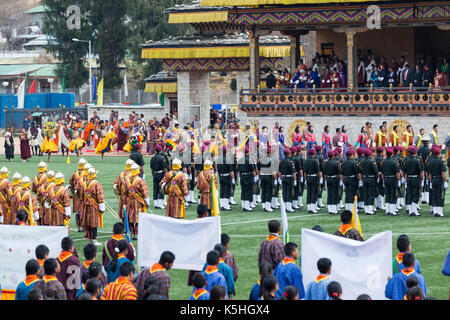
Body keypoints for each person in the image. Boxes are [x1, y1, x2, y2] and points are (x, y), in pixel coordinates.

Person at [123, 163, 150, 239]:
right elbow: (145, 193)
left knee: (130, 218)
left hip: (129, 201)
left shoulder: (127, 180)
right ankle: (137, 234)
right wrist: (147, 203)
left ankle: (132, 233)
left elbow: (124, 192)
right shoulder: (141, 181)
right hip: (138, 202)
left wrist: (125, 201)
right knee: (138, 218)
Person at [83, 167, 106, 244]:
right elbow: (100, 196)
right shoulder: (96, 183)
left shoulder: (84, 183)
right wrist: (102, 206)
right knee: (94, 222)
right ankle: (94, 239)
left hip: (85, 205)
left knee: (87, 221)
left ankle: (89, 238)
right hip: (93, 206)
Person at [403, 146, 424, 216]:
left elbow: (404, 172)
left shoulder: (406, 160)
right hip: (415, 178)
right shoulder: (416, 160)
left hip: (408, 178)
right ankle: (414, 211)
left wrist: (405, 180)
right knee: (415, 194)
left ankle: (410, 210)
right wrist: (422, 180)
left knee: (409, 194)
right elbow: (421, 171)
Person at [380, 147, 401, 216]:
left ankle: (387, 210)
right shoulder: (394, 162)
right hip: (392, 179)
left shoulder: (383, 162)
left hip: (386, 179)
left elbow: (382, 173)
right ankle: (392, 211)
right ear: (392, 154)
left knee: (387, 194)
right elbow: (397, 173)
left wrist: (383, 180)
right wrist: (399, 180)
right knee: (393, 194)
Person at [428, 145, 447, 217]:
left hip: (433, 179)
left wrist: (430, 182)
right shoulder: (442, 162)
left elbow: (430, 174)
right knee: (440, 195)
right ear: (439, 153)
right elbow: (443, 174)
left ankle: (435, 211)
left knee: (434, 195)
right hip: (439, 180)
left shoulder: (431, 161)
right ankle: (439, 211)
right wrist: (445, 182)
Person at [303, 148, 322, 214]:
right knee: (314, 192)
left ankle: (309, 208)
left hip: (308, 177)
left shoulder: (305, 161)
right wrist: (320, 178)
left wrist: (305, 179)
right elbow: (318, 171)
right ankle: (313, 208)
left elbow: (304, 172)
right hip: (314, 178)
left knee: (309, 193)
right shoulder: (315, 161)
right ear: (314, 154)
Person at [323, 150, 342, 214]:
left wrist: (326, 180)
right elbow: (339, 173)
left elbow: (324, 173)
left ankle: (330, 209)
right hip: (334, 179)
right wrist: (341, 181)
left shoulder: (325, 163)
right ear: (333, 156)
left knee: (329, 194)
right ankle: (334, 209)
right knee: (334, 194)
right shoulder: (335, 163)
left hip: (328, 179)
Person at [278, 148, 296, 213]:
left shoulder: (281, 162)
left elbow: (279, 172)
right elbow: (293, 172)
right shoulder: (291, 162)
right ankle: (289, 207)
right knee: (289, 192)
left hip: (283, 178)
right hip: (289, 178)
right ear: (288, 154)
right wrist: (295, 179)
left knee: (285, 192)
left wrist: (280, 179)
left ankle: (284, 207)